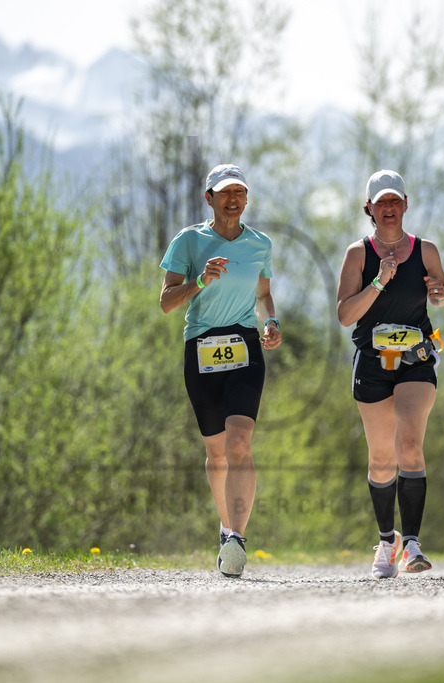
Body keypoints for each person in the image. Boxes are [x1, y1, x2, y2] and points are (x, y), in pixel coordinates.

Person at [159, 163, 282, 578]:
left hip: (245, 344)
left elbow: (263, 295)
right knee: (215, 452)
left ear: (247, 199)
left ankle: (237, 540)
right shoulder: (189, 241)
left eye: (240, 193)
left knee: (240, 443)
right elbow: (166, 301)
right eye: (224, 193)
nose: (233, 200)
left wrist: (270, 322)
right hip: (202, 347)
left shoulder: (260, 244)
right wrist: (200, 281)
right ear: (209, 198)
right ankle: (225, 528)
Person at [336, 169, 444, 579]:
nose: (388, 209)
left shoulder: (426, 249)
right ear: (368, 208)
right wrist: (379, 284)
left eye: (395, 201)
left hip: (416, 359)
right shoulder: (358, 255)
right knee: (382, 458)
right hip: (371, 362)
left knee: (410, 437)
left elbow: (440, 292)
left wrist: (440, 293)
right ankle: (388, 541)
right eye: (380, 202)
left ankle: (415, 544)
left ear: (406, 205)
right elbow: (345, 315)